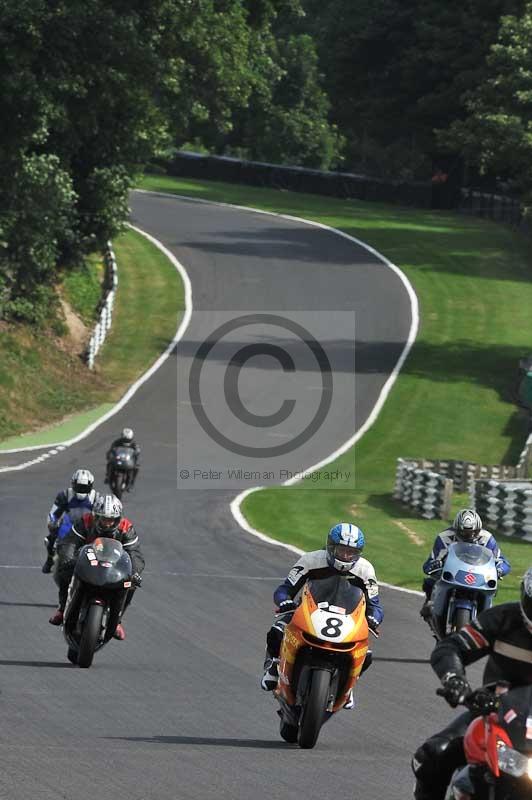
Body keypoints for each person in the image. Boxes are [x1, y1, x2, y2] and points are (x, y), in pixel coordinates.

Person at [412, 567, 532, 800]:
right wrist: (454, 680)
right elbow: (451, 647)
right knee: (433, 754)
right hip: (493, 711)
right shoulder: (503, 620)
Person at [261, 522, 383, 708]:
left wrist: (373, 618)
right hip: (309, 611)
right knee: (277, 629)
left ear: (359, 553)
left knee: (365, 652)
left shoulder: (365, 570)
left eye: (351, 552)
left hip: (347, 618)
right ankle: (274, 667)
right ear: (330, 546)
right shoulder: (311, 560)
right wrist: (285, 601)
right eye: (341, 550)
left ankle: (348, 687)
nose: (346, 556)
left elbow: (375, 605)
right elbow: (284, 589)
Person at [49, 493, 145, 640]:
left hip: (114, 569)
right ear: (95, 516)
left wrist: (135, 572)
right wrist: (68, 559)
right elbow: (70, 542)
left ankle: (117, 620)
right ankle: (62, 608)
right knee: (65, 570)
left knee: (131, 583)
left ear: (118, 519)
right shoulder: (85, 522)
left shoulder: (126, 528)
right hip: (87, 563)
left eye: (111, 520)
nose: (107, 523)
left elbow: (135, 554)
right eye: (103, 519)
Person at [420, 508, 511, 620]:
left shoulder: (487, 539)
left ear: (478, 529)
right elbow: (430, 563)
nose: (469, 536)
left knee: (491, 591)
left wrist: (499, 569)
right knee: (430, 582)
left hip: (477, 576)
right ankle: (430, 603)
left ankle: (484, 619)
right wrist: (436, 565)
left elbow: (501, 561)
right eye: (464, 532)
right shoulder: (444, 538)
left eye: (473, 532)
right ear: (456, 529)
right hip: (452, 574)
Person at [42, 469, 97, 574]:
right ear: (73, 485)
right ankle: (49, 560)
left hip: (87, 526)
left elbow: (101, 514)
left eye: (84, 488)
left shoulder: (96, 498)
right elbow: (53, 513)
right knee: (50, 539)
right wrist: (52, 523)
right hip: (69, 524)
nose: (81, 490)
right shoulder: (65, 495)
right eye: (79, 487)